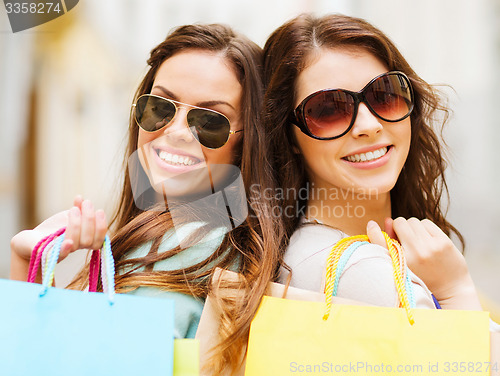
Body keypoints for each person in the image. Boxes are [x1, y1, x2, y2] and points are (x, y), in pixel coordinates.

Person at [10, 23, 282, 373]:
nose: (177, 132)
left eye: (210, 121)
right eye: (159, 108)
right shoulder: (213, 239)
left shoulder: (189, 246)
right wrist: (26, 257)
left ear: (248, 143)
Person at [261, 13, 487, 312]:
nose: (369, 125)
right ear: (289, 137)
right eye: (328, 109)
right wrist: (454, 290)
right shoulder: (360, 271)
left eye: (384, 94)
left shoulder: (336, 254)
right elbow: (465, 361)